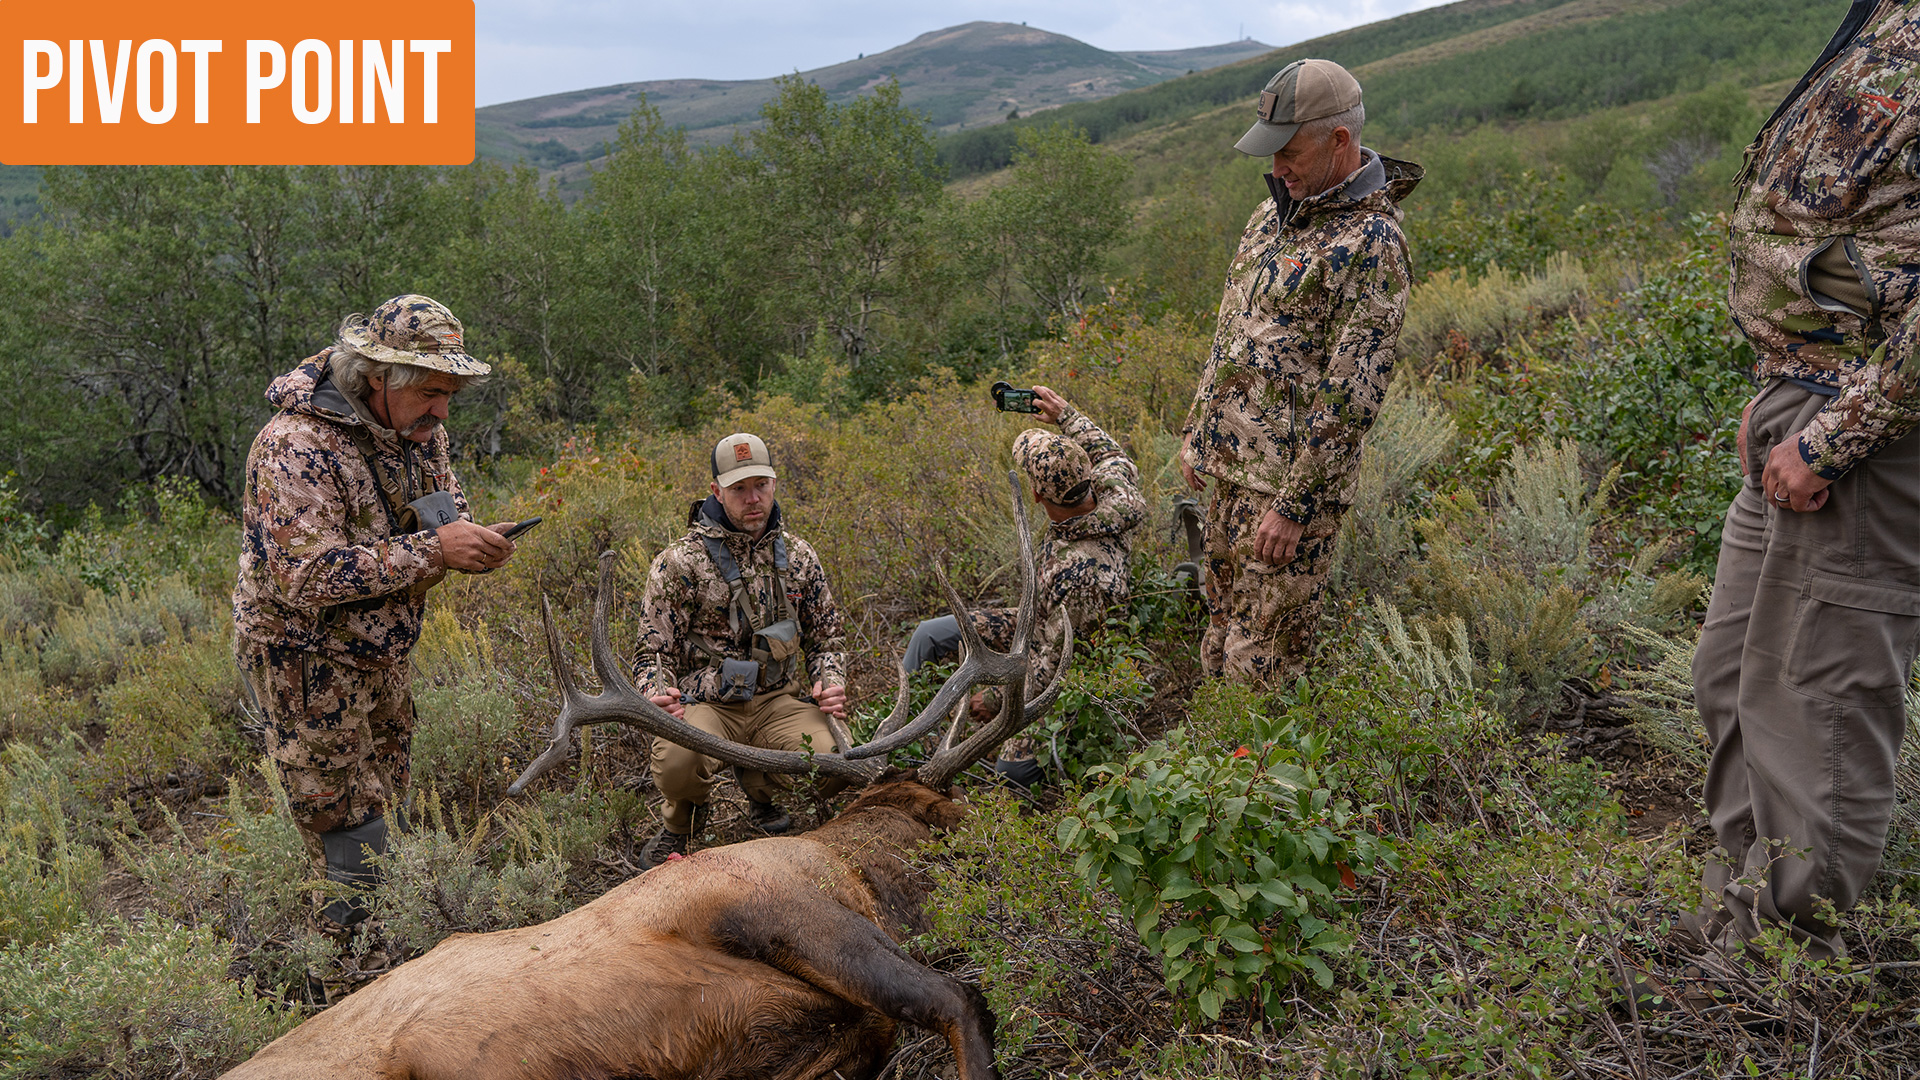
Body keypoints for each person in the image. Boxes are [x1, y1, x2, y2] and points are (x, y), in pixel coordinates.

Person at [1690, 0, 1920, 962]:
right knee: (1734, 680)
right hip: (1808, 402)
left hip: (1870, 435)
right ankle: (1738, 937)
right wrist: (1782, 383)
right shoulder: (1888, 20)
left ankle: (1790, 981)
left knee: (1814, 707)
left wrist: (1833, 435)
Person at [234, 294, 517, 929]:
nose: (442, 412)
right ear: (376, 377)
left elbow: (444, 511)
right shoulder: (294, 446)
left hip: (382, 650)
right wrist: (432, 551)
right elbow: (305, 575)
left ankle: (386, 951)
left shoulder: (421, 434)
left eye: (451, 394)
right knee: (346, 836)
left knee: (386, 802)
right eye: (430, 394)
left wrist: (465, 541)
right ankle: (343, 982)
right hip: (305, 661)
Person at [1178, 58, 1421, 686]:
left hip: (1286, 499)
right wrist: (1198, 430)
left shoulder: (1372, 244)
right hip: (1230, 474)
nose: (1278, 167)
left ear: (1340, 141)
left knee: (1259, 665)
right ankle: (1201, 778)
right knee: (1216, 635)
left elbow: (1352, 396)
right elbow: (1231, 331)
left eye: (1290, 151)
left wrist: (1297, 505)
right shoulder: (1271, 216)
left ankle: (1252, 782)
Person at [901, 386, 1145, 787]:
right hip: (1043, 623)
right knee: (930, 636)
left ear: (1034, 494)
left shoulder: (1080, 573)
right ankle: (906, 748)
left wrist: (996, 701)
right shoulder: (1112, 491)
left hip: (1077, 664)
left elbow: (1062, 663)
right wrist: (1066, 414)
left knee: (1011, 774)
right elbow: (1113, 454)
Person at [633, 432, 850, 867]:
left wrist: (830, 681)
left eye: (761, 485)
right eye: (738, 489)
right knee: (678, 761)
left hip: (778, 700)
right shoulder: (679, 562)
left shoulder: (801, 557)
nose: (753, 499)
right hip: (706, 702)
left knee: (834, 766)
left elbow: (827, 640)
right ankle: (682, 823)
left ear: (774, 483)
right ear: (716, 491)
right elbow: (651, 652)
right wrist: (656, 691)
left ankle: (762, 792)